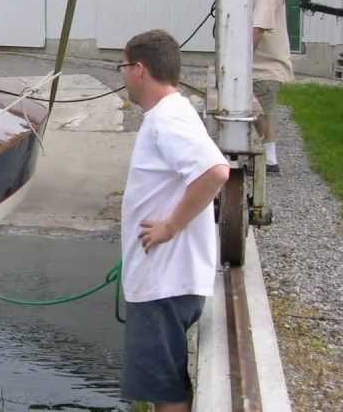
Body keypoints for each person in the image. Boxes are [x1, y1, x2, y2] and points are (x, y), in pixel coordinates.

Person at [118, 29, 231, 411]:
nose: (122, 75)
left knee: (166, 395)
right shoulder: (170, 114)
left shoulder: (168, 119)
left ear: (139, 69)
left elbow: (215, 172)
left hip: (163, 285)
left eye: (123, 67)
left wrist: (170, 226)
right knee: (166, 388)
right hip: (164, 280)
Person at [251, 0, 294, 176]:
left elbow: (257, 29)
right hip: (258, 65)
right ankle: (262, 156)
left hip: (265, 66)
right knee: (258, 111)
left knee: (262, 112)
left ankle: (269, 161)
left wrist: (240, 59)